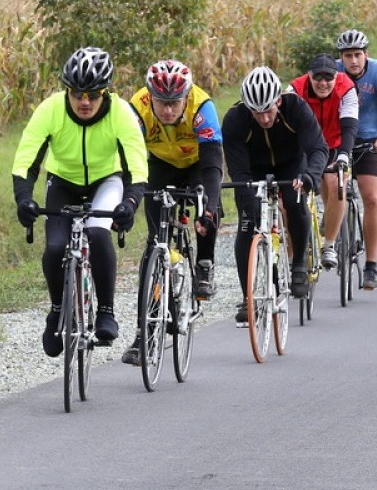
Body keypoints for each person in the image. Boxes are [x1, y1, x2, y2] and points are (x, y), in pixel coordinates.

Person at [11, 47, 148, 356]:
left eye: (93, 95)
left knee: (99, 232)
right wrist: (23, 199)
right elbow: (26, 160)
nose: (84, 101)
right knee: (56, 246)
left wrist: (129, 202)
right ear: (67, 91)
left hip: (106, 179)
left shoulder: (121, 113)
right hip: (62, 181)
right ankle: (57, 310)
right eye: (77, 94)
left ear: (105, 93)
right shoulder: (50, 109)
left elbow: (136, 167)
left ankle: (106, 311)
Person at [121, 59, 224, 365]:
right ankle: (143, 334)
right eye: (161, 103)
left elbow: (213, 164)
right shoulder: (135, 108)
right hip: (158, 165)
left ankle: (205, 261)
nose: (168, 110)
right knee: (155, 244)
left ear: (186, 97)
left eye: (174, 103)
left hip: (197, 164)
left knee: (209, 205)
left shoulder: (202, 106)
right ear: (149, 95)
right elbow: (127, 159)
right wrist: (128, 201)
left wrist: (207, 209)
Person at [222, 66, 328, 324]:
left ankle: (299, 263)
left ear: (278, 101)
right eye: (257, 113)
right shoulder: (235, 119)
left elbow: (318, 149)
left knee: (294, 201)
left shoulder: (296, 108)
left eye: (268, 110)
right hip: (253, 171)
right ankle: (249, 297)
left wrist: (310, 177)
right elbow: (238, 171)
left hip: (292, 164)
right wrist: (248, 201)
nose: (265, 119)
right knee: (248, 224)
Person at [336, 29, 377, 290]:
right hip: (340, 141)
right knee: (330, 189)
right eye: (348, 56)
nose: (353, 61)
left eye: (358, 55)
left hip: (371, 141)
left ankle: (371, 265)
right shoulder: (334, 74)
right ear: (341, 57)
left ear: (366, 55)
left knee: (371, 197)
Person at [288, 53, 358, 270]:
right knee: (292, 194)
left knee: (336, 184)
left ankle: (329, 244)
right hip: (304, 147)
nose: (323, 83)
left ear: (336, 77)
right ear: (309, 76)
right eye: (318, 78)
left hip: (334, 145)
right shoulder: (294, 90)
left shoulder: (346, 88)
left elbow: (349, 126)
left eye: (328, 78)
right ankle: (293, 254)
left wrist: (345, 154)